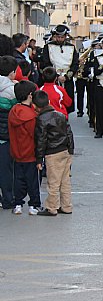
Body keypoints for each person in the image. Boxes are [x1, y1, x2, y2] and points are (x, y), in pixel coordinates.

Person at [33, 90, 73, 216]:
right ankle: (66, 206)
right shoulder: (60, 115)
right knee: (65, 181)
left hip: (52, 153)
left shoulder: (41, 120)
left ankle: (52, 207)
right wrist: (71, 149)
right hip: (65, 151)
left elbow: (41, 140)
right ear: (49, 102)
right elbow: (69, 133)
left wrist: (39, 159)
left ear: (35, 106)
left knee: (53, 182)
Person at [8, 80, 41, 215]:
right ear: (30, 95)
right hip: (30, 154)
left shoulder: (13, 112)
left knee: (18, 180)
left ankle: (18, 204)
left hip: (16, 152)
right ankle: (34, 204)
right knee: (33, 181)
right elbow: (35, 135)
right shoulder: (31, 116)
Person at [40, 24, 79, 114]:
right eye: (58, 37)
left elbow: (75, 64)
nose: (60, 39)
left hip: (67, 78)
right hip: (53, 78)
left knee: (67, 102)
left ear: (65, 37)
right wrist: (56, 76)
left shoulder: (72, 47)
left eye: (62, 37)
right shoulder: (48, 47)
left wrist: (66, 77)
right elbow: (46, 63)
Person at [0, 55, 17, 209]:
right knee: (6, 169)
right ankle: (7, 199)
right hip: (6, 135)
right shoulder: (12, 90)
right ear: (12, 72)